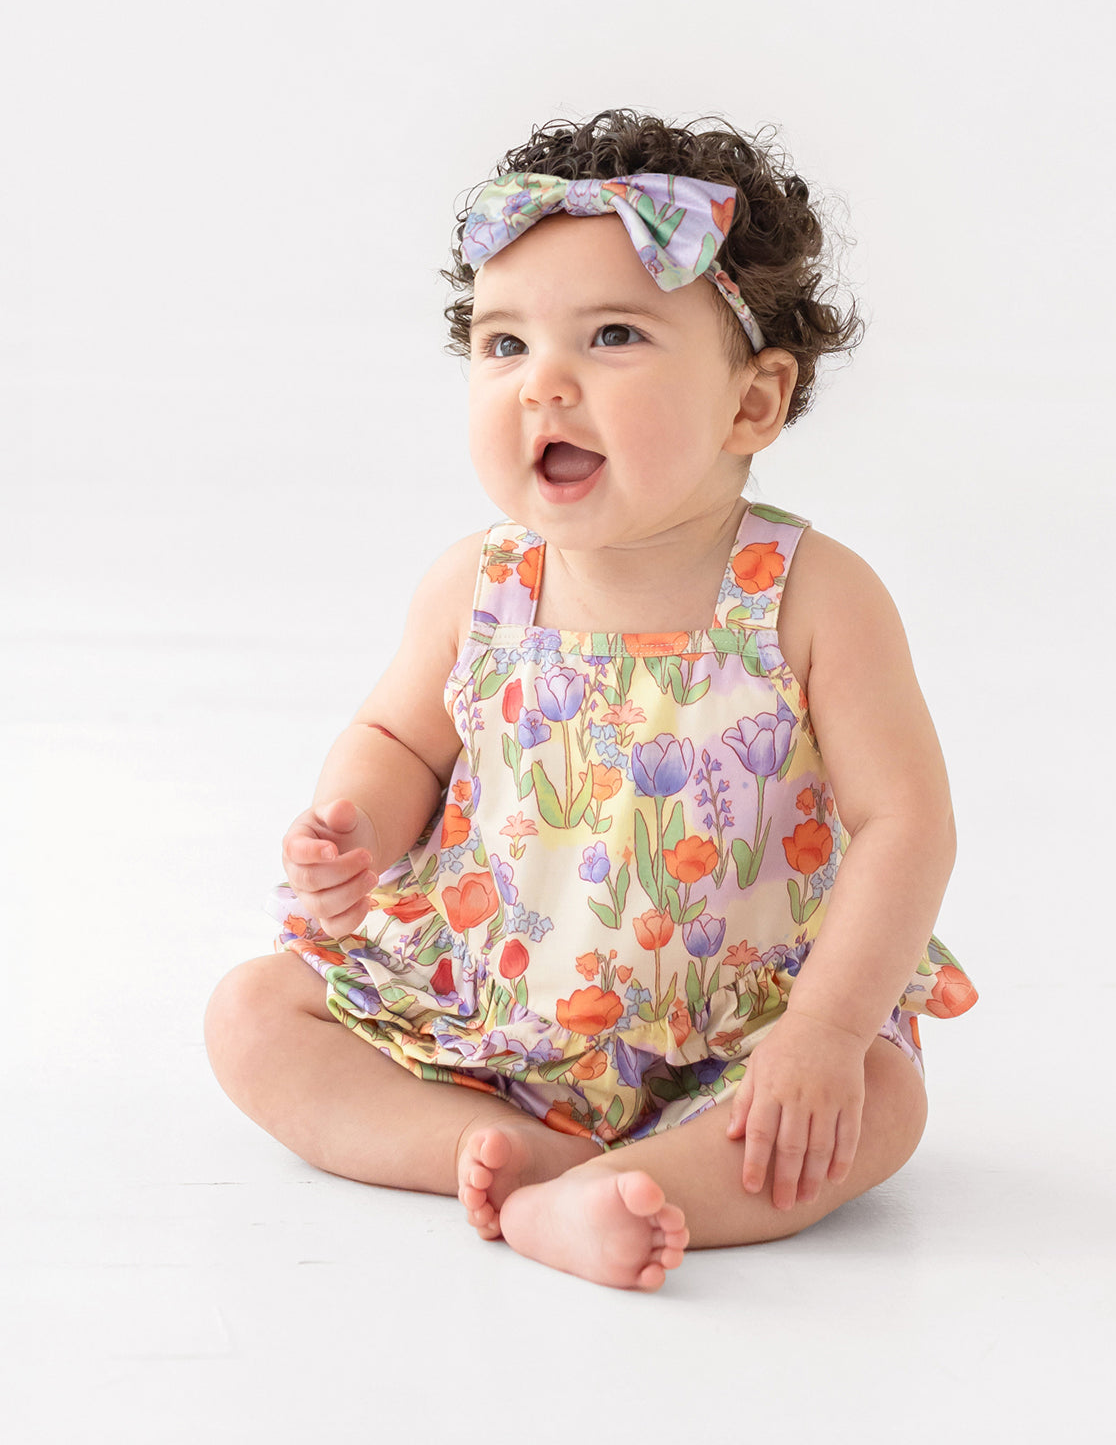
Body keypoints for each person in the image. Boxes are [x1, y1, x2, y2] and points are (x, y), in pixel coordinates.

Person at [204, 107, 979, 1293]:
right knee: (254, 1015)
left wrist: (821, 1034)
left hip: (736, 1028)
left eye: (611, 335)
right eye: (504, 344)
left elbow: (904, 823)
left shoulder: (813, 596)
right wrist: (352, 826)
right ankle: (508, 1156)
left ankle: (638, 1185)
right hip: (487, 1006)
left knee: (877, 1103)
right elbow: (397, 736)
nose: (541, 385)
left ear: (752, 404)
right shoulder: (480, 583)